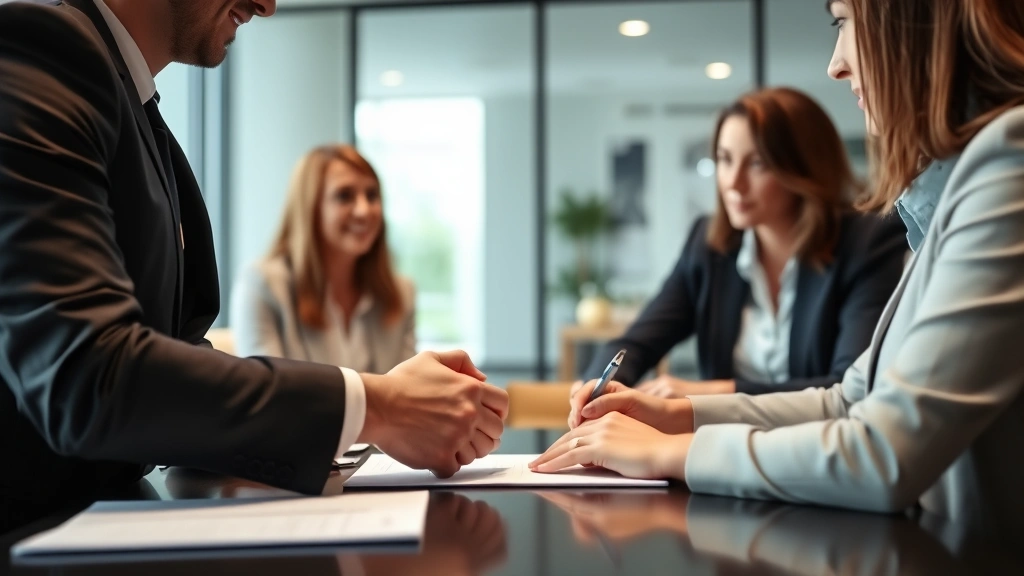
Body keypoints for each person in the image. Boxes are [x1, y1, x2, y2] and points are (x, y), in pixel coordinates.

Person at [0, 0, 507, 526]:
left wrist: (390, 405)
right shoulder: (44, 49)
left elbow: (170, 354)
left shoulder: (136, 107)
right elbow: (88, 375)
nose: (267, 6)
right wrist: (376, 405)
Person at [534, 0, 1024, 535]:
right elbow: (849, 400)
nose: (835, 64)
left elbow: (883, 453)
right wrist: (675, 415)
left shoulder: (1006, 163)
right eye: (723, 160)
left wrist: (673, 449)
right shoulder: (944, 196)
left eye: (844, 22)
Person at [583, 87, 906, 399]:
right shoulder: (707, 245)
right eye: (724, 160)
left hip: (822, 448)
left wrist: (710, 392)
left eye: (757, 164)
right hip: (720, 448)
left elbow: (850, 387)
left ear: (805, 168)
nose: (733, 183)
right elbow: (636, 344)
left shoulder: (869, 242)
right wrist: (597, 383)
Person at [231, 145, 416, 372]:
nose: (364, 210)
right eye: (345, 196)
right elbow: (268, 397)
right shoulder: (262, 285)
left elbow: (410, 394)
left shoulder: (401, 294)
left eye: (372, 195)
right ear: (310, 207)